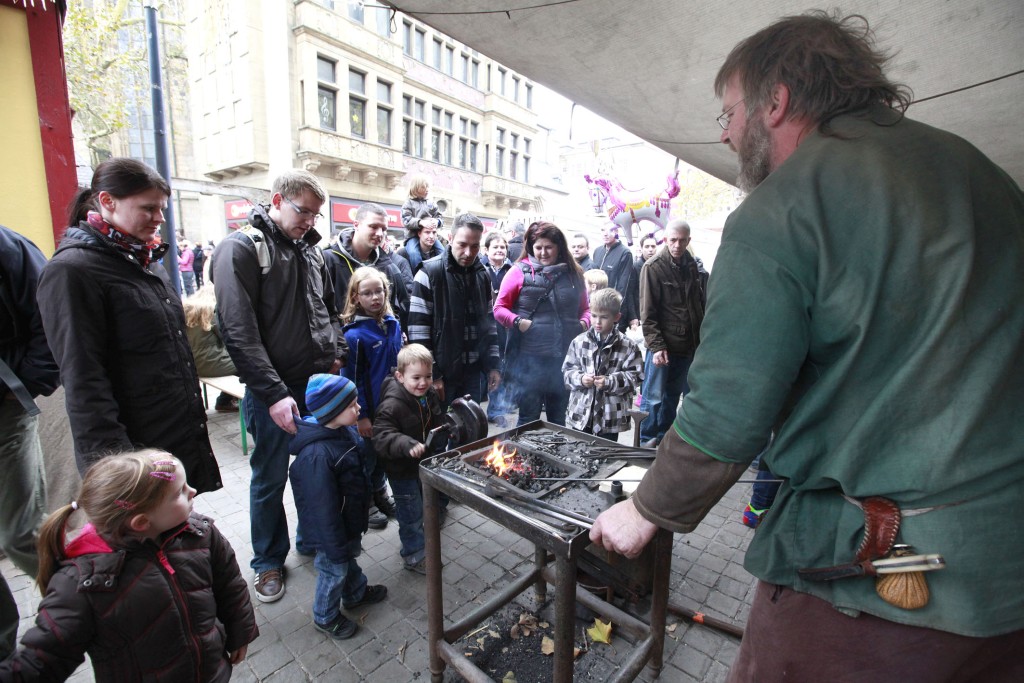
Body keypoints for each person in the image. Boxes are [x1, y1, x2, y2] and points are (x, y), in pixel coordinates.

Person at [590, 11, 1024, 680]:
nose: (727, 133)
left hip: (881, 582)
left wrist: (647, 507)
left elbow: (728, 410)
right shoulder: (983, 173)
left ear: (776, 102)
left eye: (730, 112)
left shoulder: (780, 209)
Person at [37, 158, 222, 493]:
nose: (160, 218)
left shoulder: (146, 261)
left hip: (170, 439)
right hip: (132, 454)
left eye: (162, 208)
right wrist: (117, 469)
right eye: (148, 208)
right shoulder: (72, 271)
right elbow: (83, 380)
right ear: (108, 201)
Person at [0, 451, 257, 681]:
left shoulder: (200, 532)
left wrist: (240, 632)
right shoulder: (84, 584)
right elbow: (42, 660)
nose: (193, 491)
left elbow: (229, 584)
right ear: (141, 522)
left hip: (211, 672)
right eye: (180, 491)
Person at [212, 169, 346, 603]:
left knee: (315, 466)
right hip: (273, 389)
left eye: (315, 214)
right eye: (302, 211)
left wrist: (337, 353)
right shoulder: (240, 249)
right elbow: (238, 331)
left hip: (315, 385)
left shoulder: (313, 252)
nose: (309, 221)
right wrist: (273, 394)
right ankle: (268, 560)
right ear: (276, 201)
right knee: (269, 477)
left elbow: (329, 310)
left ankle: (312, 536)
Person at [0, 226, 61, 661]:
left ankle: (83, 606)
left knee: (21, 531)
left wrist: (18, 386)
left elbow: (50, 321)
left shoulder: (11, 249)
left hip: (5, 413)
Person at [289, 374, 388, 640]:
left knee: (346, 560)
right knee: (333, 569)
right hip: (330, 531)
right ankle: (325, 616)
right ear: (332, 411)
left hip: (347, 521)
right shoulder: (316, 456)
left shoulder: (344, 431)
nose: (359, 408)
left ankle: (355, 593)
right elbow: (321, 508)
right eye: (352, 405)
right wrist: (332, 544)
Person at [494, 221, 590, 426]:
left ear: (559, 247)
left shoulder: (574, 273)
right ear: (530, 247)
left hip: (564, 359)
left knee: (559, 419)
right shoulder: (518, 271)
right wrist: (518, 322)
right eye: (538, 247)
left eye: (549, 247)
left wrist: (583, 324)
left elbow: (586, 309)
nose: (543, 253)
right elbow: (499, 309)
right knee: (528, 419)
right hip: (530, 360)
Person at [409, 213, 501, 408]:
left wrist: (493, 365)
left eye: (475, 246)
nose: (468, 252)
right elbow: (418, 332)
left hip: (474, 373)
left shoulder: (482, 276)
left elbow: (489, 324)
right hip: (443, 375)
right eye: (462, 244)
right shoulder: (428, 273)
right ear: (450, 239)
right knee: (442, 426)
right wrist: (432, 374)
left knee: (472, 425)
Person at [371, 344, 447, 574]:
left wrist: (447, 428)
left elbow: (437, 419)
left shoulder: (428, 394)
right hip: (401, 470)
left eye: (428, 376)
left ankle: (426, 531)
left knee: (423, 503)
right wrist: (406, 444)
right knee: (410, 514)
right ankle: (414, 555)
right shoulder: (391, 404)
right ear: (400, 376)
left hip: (423, 463)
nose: (423, 382)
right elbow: (381, 436)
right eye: (416, 378)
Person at [341, 267, 402, 528]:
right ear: (356, 297)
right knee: (366, 458)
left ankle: (380, 493)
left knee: (382, 457)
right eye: (367, 293)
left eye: (379, 291)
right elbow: (352, 380)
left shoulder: (393, 324)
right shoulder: (353, 336)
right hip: (370, 411)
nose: (375, 297)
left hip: (392, 407)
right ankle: (365, 504)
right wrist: (362, 416)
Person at [636, 220, 706, 447]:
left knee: (672, 396)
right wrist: (657, 346)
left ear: (688, 240)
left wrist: (699, 343)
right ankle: (645, 441)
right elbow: (648, 313)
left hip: (686, 346)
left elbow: (696, 306)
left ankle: (664, 439)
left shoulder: (691, 265)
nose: (677, 245)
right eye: (673, 240)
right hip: (663, 346)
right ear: (665, 240)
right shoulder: (653, 267)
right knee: (652, 397)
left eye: (682, 240)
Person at [562, 288, 643, 440]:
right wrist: (581, 379)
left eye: (604, 317)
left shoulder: (628, 346)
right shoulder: (579, 342)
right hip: (581, 414)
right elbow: (567, 371)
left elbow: (636, 377)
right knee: (577, 449)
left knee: (605, 451)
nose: (597, 322)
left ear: (617, 317)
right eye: (594, 316)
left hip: (610, 417)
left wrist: (610, 381)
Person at [323, 203, 412, 330]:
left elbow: (396, 309)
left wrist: (394, 332)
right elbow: (320, 310)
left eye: (384, 229)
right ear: (356, 225)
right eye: (373, 227)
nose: (380, 233)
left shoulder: (388, 266)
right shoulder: (328, 260)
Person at [182, 285, 239, 412]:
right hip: (212, 363)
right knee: (246, 365)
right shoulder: (211, 311)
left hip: (192, 364)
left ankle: (226, 400)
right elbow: (227, 338)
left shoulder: (186, 311)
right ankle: (224, 401)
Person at [482, 231, 515, 426]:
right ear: (486, 250)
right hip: (484, 325)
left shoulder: (513, 270)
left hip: (505, 327)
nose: (499, 250)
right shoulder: (480, 269)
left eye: (503, 247)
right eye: (495, 247)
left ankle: (496, 410)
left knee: (499, 366)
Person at [590, 223, 640, 331]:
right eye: (603, 230)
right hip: (596, 308)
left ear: (617, 232)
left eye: (610, 230)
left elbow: (623, 286)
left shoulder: (625, 253)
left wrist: (615, 310)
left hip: (613, 309)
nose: (606, 234)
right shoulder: (598, 251)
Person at [399, 174, 444, 273]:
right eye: (423, 187)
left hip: (429, 234)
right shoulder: (408, 203)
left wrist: (437, 221)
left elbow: (440, 217)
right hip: (412, 237)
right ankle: (419, 274)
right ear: (415, 188)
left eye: (427, 187)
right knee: (414, 253)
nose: (427, 189)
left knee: (442, 251)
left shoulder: (431, 203)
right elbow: (406, 220)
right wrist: (420, 222)